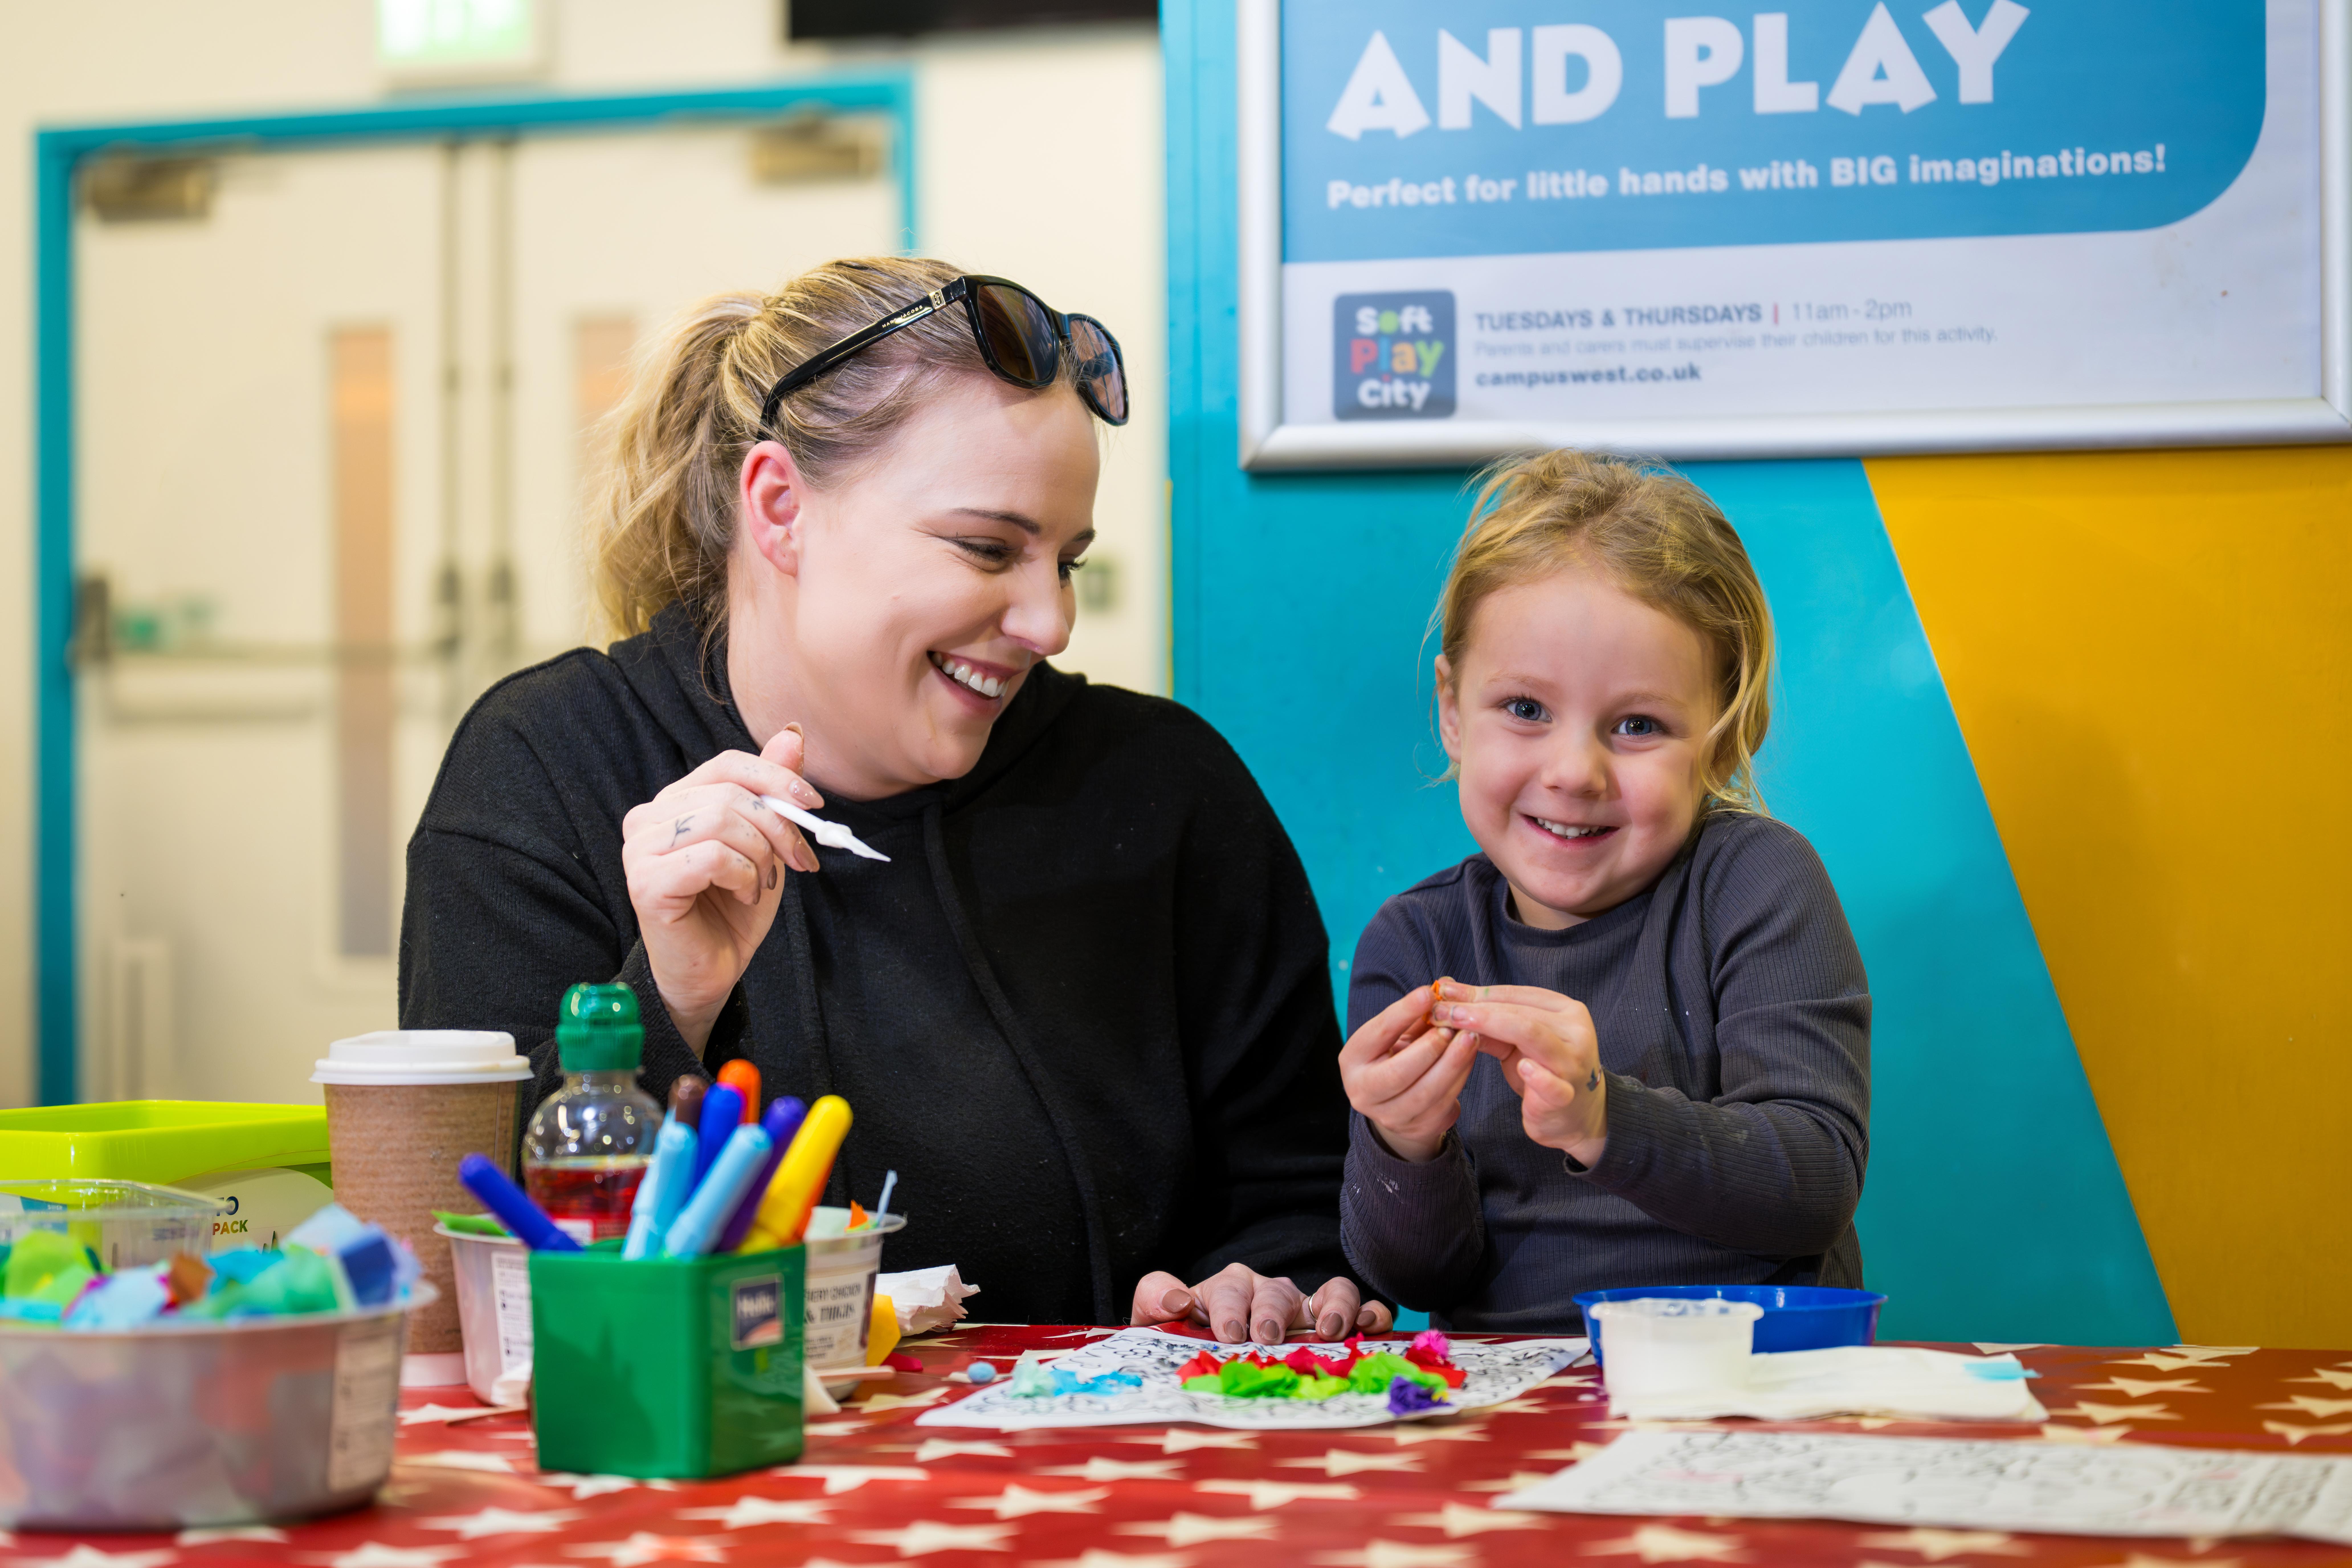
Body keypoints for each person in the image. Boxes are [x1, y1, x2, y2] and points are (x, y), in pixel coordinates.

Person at [400, 256, 1389, 1342]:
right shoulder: (544, 770)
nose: (1049, 623)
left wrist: (1265, 1285)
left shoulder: (1163, 791)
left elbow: (1300, 1202)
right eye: (987, 548)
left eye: (1068, 562)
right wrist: (668, 1002)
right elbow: (484, 1271)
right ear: (781, 509)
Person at [1336, 450, 1870, 1333]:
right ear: (1453, 712)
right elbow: (1413, 1273)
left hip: (1749, 1384)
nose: (1574, 772)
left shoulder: (1759, 887)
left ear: (1727, 740)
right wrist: (1403, 1146)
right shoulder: (1417, 946)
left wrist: (1603, 1116)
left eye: (1637, 725)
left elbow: (1814, 1181)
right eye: (1526, 709)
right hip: (1505, 1408)